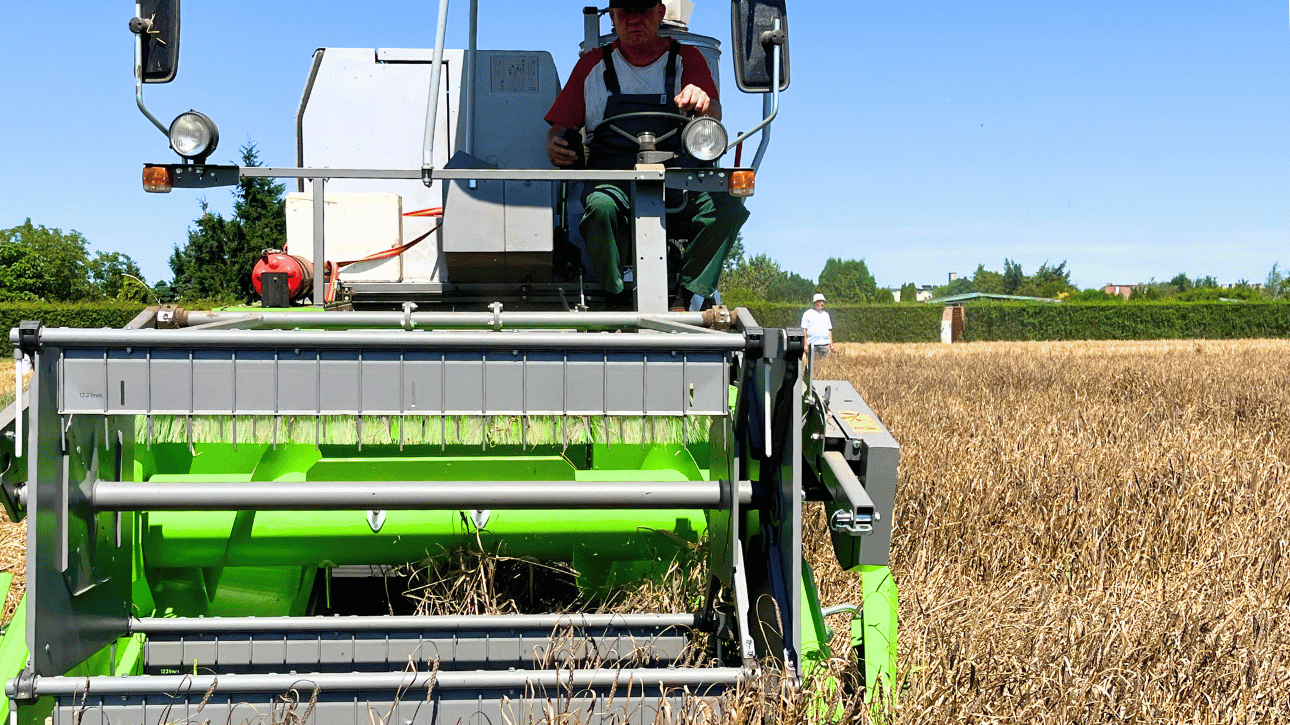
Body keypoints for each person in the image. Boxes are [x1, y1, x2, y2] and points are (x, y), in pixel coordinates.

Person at [544, 0, 748, 310]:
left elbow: (713, 116)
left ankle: (686, 294)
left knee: (728, 205)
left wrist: (703, 101)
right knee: (600, 207)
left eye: (643, 10)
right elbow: (559, 128)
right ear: (613, 17)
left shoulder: (687, 59)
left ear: (660, 13)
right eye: (626, 11)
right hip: (614, 183)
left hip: (679, 182)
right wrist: (554, 143)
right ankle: (616, 295)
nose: (635, 19)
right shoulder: (591, 65)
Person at [801, 293, 833, 364]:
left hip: (825, 345)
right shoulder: (807, 314)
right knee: (813, 365)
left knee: (825, 365)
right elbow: (804, 330)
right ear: (815, 302)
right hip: (812, 345)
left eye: (823, 302)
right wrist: (805, 344)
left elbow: (829, 330)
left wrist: (831, 344)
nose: (822, 303)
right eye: (820, 301)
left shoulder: (826, 315)